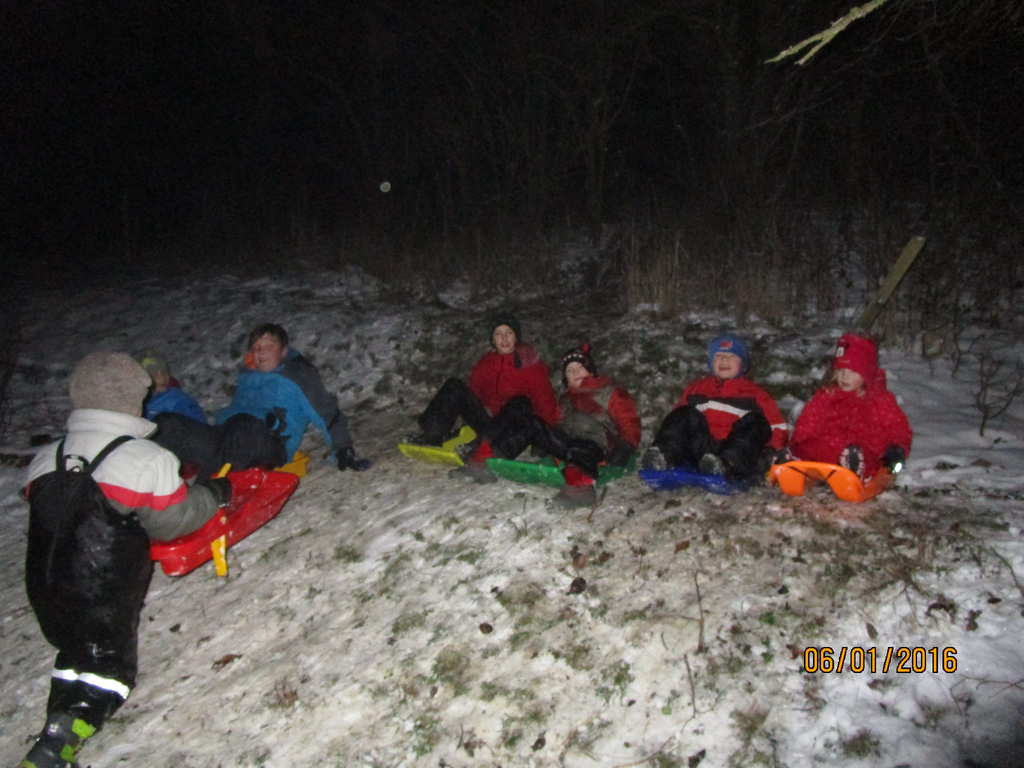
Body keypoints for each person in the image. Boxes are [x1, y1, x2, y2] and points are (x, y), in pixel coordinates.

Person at [20, 351, 229, 768]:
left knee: (75, 651)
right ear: (135, 399)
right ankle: (58, 744)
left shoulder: (44, 458)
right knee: (109, 670)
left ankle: (58, 721)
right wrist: (214, 494)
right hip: (100, 585)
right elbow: (174, 521)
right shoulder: (145, 458)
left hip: (43, 583)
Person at [409, 314, 560, 482]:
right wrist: (465, 426)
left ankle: (483, 455)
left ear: (516, 336)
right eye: (498, 334)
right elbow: (472, 395)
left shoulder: (530, 364)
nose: (504, 338)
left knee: (520, 401)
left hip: (512, 429)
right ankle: (432, 435)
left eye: (508, 333)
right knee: (455, 386)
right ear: (492, 339)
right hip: (488, 423)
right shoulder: (487, 362)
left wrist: (546, 438)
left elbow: (545, 400)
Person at [642, 334, 788, 486]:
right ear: (711, 363)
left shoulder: (756, 394)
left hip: (735, 452)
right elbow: (676, 422)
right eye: (719, 356)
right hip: (701, 450)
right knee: (684, 413)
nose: (724, 360)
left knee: (756, 422)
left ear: (743, 364)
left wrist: (772, 451)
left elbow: (776, 426)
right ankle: (662, 457)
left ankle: (724, 465)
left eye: (731, 356)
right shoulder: (697, 389)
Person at [790, 333, 912, 480]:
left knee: (865, 455)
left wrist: (897, 449)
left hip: (864, 450)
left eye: (852, 372)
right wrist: (798, 442)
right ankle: (793, 462)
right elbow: (808, 422)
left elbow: (898, 428)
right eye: (840, 371)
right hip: (829, 449)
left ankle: (853, 467)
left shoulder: (880, 400)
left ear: (866, 373)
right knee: (811, 446)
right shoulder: (827, 395)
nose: (844, 377)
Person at [549, 343, 641, 507]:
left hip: (597, 445)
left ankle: (580, 492)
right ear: (565, 378)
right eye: (570, 370)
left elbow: (629, 422)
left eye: (580, 367)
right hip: (569, 444)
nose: (575, 372)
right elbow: (557, 423)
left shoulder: (609, 392)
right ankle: (492, 453)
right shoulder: (564, 400)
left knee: (579, 435)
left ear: (590, 370)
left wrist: (626, 445)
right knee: (534, 423)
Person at [139, 352, 206, 423]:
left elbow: (196, 418)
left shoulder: (176, 397)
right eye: (154, 374)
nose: (161, 376)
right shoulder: (140, 401)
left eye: (164, 372)